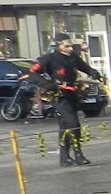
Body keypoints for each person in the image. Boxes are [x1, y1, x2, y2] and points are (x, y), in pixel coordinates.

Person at [29, 36, 103, 167]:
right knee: (74, 123)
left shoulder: (73, 57)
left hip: (73, 94)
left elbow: (84, 67)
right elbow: (32, 73)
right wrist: (46, 84)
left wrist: (93, 72)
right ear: (59, 45)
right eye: (66, 46)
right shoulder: (49, 58)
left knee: (65, 126)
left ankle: (64, 157)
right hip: (59, 95)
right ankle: (78, 154)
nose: (70, 49)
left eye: (71, 46)